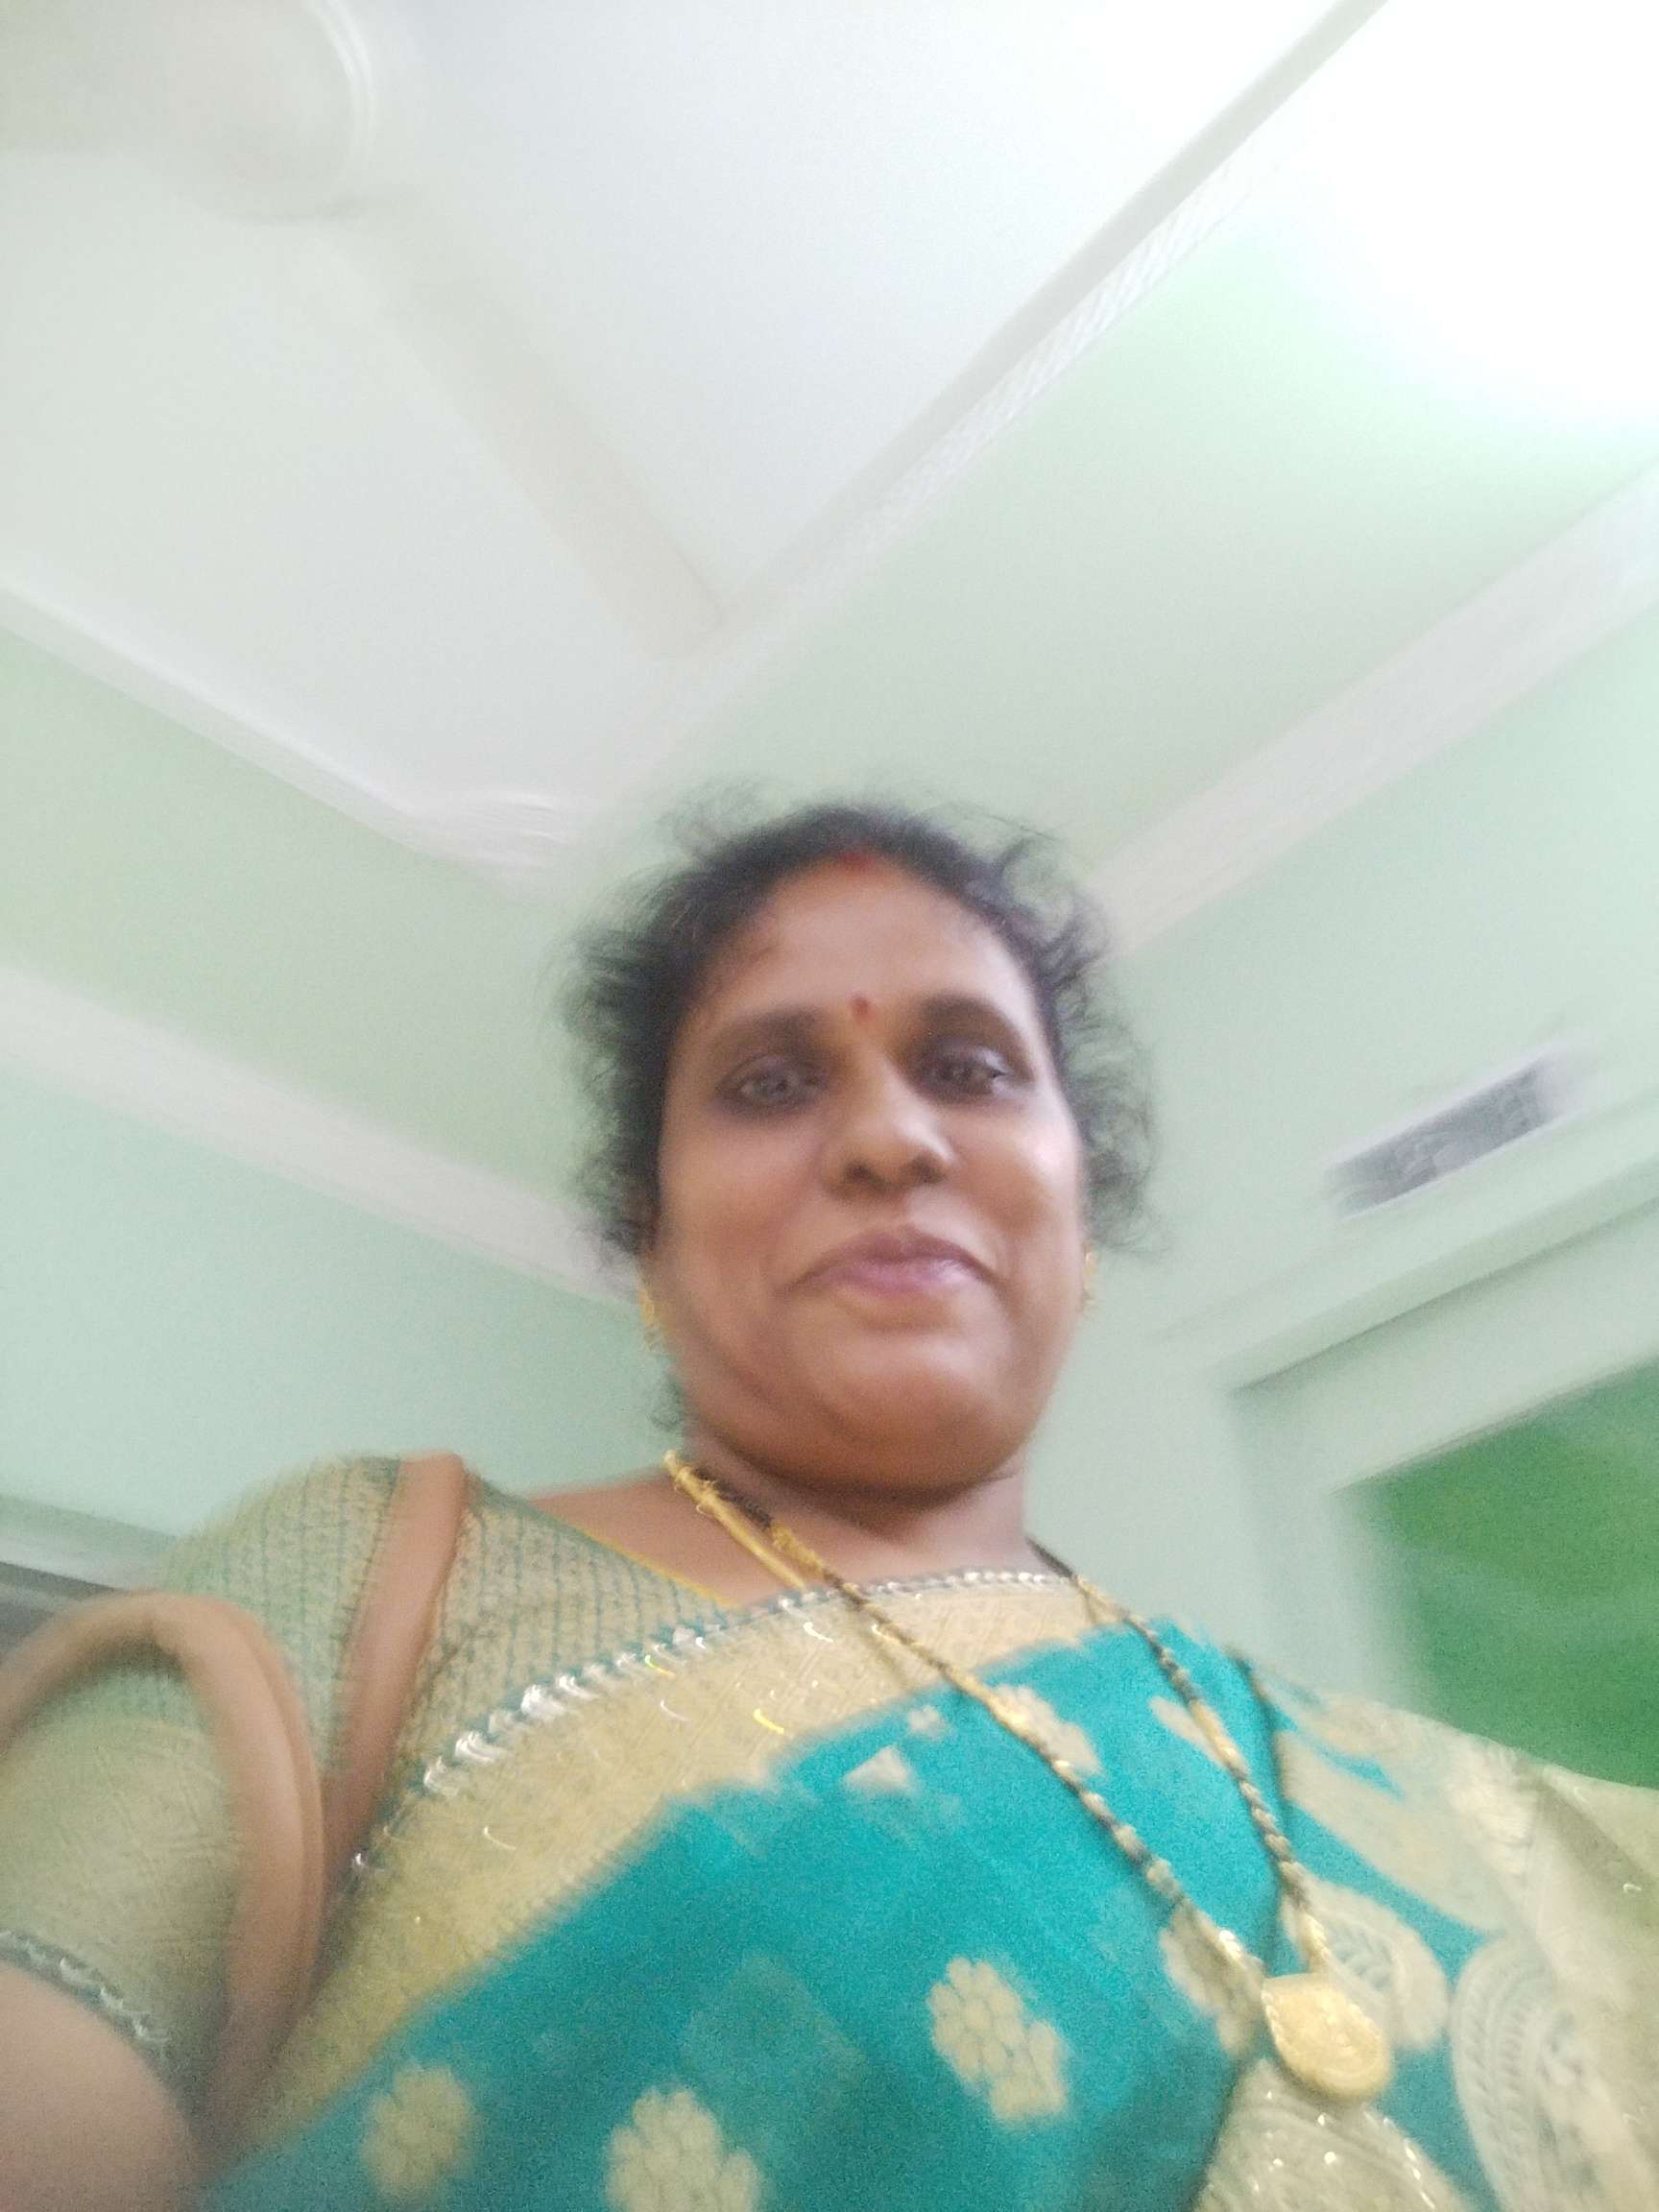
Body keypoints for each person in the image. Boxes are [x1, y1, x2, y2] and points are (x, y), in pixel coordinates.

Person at [2, 800, 1655, 2212]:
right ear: (650, 1245)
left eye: (969, 1066)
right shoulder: (374, 1573)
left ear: (1079, 1227)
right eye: (773, 1083)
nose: (889, 1136)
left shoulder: (1268, 1749)